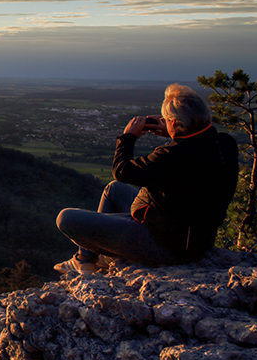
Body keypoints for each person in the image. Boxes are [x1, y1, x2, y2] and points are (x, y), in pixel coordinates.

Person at [54, 83, 238, 274]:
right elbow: (196, 149)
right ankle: (87, 259)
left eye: (167, 121)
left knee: (66, 218)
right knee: (114, 189)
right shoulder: (225, 143)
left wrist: (128, 137)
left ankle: (87, 260)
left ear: (174, 122)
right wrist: (176, 132)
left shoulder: (171, 155)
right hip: (192, 238)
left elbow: (122, 171)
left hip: (165, 245)